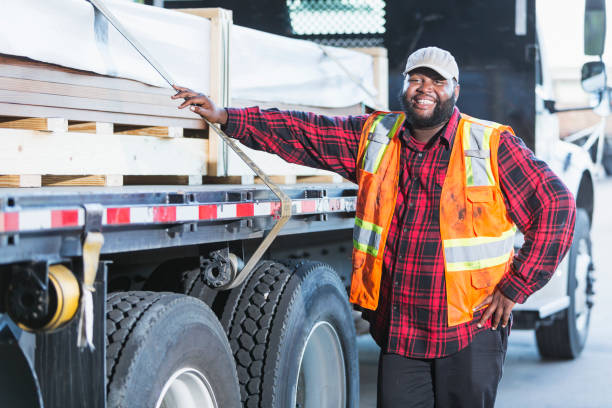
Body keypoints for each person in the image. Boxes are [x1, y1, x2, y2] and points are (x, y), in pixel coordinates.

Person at [172, 46, 576, 408]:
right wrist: (228, 117)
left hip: (470, 328)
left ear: (454, 89)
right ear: (404, 85)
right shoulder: (376, 137)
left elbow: (557, 206)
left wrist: (516, 285)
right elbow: (304, 131)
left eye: (436, 80)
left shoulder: (489, 144)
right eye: (416, 78)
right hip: (400, 329)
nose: (424, 88)